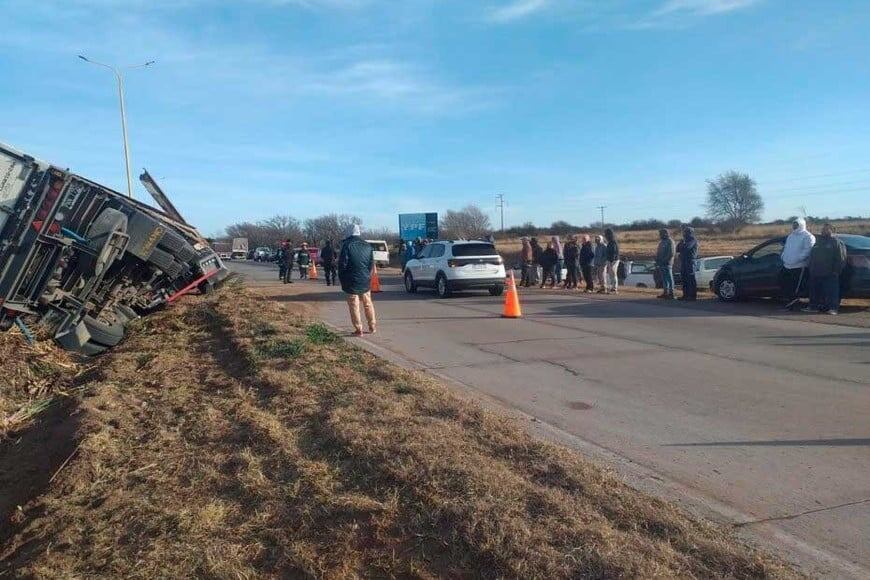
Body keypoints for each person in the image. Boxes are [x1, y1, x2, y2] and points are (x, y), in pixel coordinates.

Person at [338, 224, 376, 336]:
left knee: (354, 305)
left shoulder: (347, 245)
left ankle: (359, 329)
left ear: (349, 232)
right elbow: (371, 264)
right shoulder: (367, 246)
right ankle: (372, 326)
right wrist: (368, 275)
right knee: (368, 303)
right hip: (365, 278)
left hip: (351, 279)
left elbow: (342, 264)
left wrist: (342, 278)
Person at [804, 223, 847, 315]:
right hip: (816, 272)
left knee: (832, 292)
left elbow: (841, 258)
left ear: (832, 230)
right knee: (814, 292)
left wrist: (836, 271)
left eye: (826, 229)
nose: (823, 231)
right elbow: (812, 256)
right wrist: (811, 268)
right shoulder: (818, 242)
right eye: (823, 229)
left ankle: (833, 308)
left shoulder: (836, 242)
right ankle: (813, 307)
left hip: (830, 273)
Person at [780, 217, 816, 309]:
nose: (794, 226)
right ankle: (789, 303)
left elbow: (807, 251)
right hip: (787, 265)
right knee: (787, 285)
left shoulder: (808, 236)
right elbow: (786, 248)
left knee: (796, 287)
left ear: (801, 225)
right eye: (793, 224)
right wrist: (784, 257)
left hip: (799, 267)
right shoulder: (791, 236)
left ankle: (795, 305)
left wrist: (796, 259)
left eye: (796, 224)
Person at [676, 226, 699, 300]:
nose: (684, 233)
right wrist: (680, 243)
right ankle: (685, 295)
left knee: (691, 278)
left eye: (686, 232)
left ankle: (692, 296)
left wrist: (682, 244)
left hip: (690, 261)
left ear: (690, 233)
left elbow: (687, 247)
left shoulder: (693, 240)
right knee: (684, 278)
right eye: (684, 232)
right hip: (684, 260)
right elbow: (677, 249)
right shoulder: (684, 240)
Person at [655, 228, 676, 299]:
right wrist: (657, 260)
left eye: (661, 234)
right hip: (661, 263)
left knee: (669, 278)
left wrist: (665, 260)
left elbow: (671, 253)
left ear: (665, 233)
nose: (660, 235)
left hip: (667, 263)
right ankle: (665, 292)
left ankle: (671, 293)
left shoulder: (670, 241)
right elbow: (658, 252)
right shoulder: (661, 242)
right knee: (664, 278)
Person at [604, 228, 620, 294]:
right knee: (611, 274)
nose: (605, 236)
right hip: (609, 260)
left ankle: (614, 288)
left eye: (606, 234)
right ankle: (612, 287)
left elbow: (614, 252)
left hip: (614, 260)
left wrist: (612, 261)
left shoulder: (613, 242)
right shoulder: (610, 242)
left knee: (613, 274)